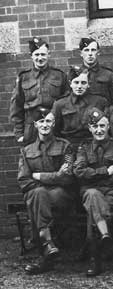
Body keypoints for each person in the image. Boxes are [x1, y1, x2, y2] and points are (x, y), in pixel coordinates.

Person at [18, 107, 74, 274]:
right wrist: (55, 175)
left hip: (60, 194)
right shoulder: (26, 151)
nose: (45, 124)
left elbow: (68, 178)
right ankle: (48, 246)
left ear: (54, 123)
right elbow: (24, 181)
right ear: (35, 124)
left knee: (38, 198)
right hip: (37, 193)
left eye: (48, 121)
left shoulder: (65, 146)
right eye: (41, 121)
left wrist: (40, 176)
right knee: (38, 195)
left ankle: (43, 248)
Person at [73, 108, 113, 276]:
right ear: (90, 128)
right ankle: (101, 244)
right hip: (91, 192)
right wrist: (104, 172)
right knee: (92, 195)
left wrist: (93, 177)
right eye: (95, 126)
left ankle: (95, 259)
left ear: (108, 126)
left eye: (102, 126)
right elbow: (79, 171)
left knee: (93, 209)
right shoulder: (84, 147)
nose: (99, 130)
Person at [10, 37, 69, 145]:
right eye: (36, 55)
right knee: (32, 159)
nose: (40, 58)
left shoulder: (60, 75)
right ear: (31, 56)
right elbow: (16, 106)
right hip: (31, 129)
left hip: (55, 127)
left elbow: (67, 102)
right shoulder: (24, 77)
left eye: (43, 54)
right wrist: (19, 133)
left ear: (48, 54)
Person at [51, 67, 108, 146]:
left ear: (88, 84)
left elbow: (106, 126)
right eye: (76, 82)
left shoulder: (100, 101)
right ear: (70, 84)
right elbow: (55, 130)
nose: (79, 86)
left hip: (93, 144)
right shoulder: (60, 104)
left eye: (83, 83)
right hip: (69, 144)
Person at [72, 37, 113, 104]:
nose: (90, 53)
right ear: (81, 53)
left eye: (93, 50)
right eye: (86, 50)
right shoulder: (74, 75)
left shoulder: (109, 75)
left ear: (98, 52)